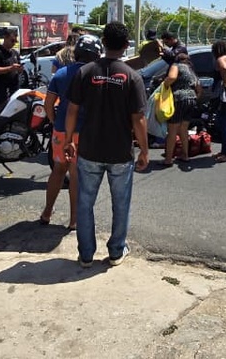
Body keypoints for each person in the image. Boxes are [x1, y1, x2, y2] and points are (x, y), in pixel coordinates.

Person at [64, 22, 149, 267]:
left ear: (103, 41)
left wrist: (69, 140)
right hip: (120, 152)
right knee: (121, 203)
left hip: (89, 149)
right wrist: (144, 150)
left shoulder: (85, 71)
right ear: (125, 46)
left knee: (84, 202)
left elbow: (71, 110)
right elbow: (138, 119)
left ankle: (86, 255)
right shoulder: (132, 77)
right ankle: (115, 252)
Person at [39, 35, 103, 230]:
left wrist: (54, 121)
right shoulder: (97, 76)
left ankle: (47, 213)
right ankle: (74, 220)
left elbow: (48, 104)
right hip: (84, 134)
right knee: (76, 176)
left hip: (61, 132)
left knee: (58, 171)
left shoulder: (61, 73)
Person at [162, 52, 203, 166]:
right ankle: (185, 155)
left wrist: (164, 85)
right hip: (191, 99)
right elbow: (199, 89)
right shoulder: (191, 70)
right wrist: (193, 98)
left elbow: (171, 77)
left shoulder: (176, 66)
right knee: (183, 129)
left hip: (179, 99)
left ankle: (168, 159)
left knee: (172, 130)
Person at [0, 29, 23, 106]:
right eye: (12, 41)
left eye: (15, 41)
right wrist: (10, 68)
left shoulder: (15, 53)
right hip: (2, 88)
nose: (14, 43)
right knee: (3, 110)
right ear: (5, 38)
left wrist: (20, 69)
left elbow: (18, 68)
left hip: (14, 87)